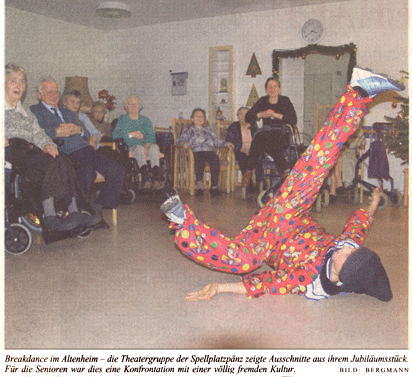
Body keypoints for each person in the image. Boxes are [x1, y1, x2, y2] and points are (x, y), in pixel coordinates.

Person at [161, 66, 405, 302]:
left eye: (346, 256)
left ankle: (182, 221)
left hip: (265, 239)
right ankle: (359, 92)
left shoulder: (307, 277)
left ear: (341, 275)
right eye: (352, 249)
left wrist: (219, 287)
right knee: (319, 161)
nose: (345, 249)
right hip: (291, 211)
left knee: (245, 263)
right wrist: (373, 203)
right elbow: (358, 225)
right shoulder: (347, 245)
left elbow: (265, 283)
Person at [4, 63, 99, 231]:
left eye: (21, 82)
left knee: (62, 159)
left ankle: (74, 212)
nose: (18, 85)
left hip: (30, 150)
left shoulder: (25, 112)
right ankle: (49, 216)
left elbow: (38, 133)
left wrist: (47, 143)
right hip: (11, 151)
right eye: (13, 81)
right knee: (48, 164)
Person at [30, 77, 125, 214]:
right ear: (39, 95)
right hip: (65, 153)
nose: (54, 95)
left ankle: (96, 208)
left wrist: (79, 131)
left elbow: (85, 131)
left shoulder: (67, 112)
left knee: (118, 170)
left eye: (56, 91)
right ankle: (82, 212)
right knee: (88, 173)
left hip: (85, 151)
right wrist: (55, 132)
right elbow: (34, 133)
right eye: (49, 92)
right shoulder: (34, 111)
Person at [241, 77, 298, 187]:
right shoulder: (262, 100)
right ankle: (283, 170)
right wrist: (261, 114)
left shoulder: (285, 100)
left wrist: (274, 115)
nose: (272, 89)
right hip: (266, 133)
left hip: (282, 132)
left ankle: (248, 171)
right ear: (266, 89)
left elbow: (293, 119)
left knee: (269, 142)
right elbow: (248, 117)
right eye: (269, 87)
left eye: (274, 86)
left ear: (279, 89)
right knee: (258, 139)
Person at [176, 108, 234, 197]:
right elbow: (179, 140)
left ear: (204, 119)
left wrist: (226, 143)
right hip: (195, 151)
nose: (199, 118)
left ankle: (214, 187)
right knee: (199, 160)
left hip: (209, 151)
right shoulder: (189, 129)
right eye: (197, 116)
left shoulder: (208, 130)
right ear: (192, 119)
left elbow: (217, 141)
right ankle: (199, 187)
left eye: (202, 116)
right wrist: (184, 143)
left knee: (215, 159)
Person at [112, 94, 161, 187]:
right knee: (139, 148)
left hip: (145, 146)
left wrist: (147, 146)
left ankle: (155, 176)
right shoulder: (123, 119)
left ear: (140, 106)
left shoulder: (145, 120)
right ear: (126, 107)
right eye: (130, 104)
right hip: (130, 148)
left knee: (154, 147)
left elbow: (151, 136)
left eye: (136, 104)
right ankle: (145, 176)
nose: (133, 106)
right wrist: (131, 134)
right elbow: (114, 135)